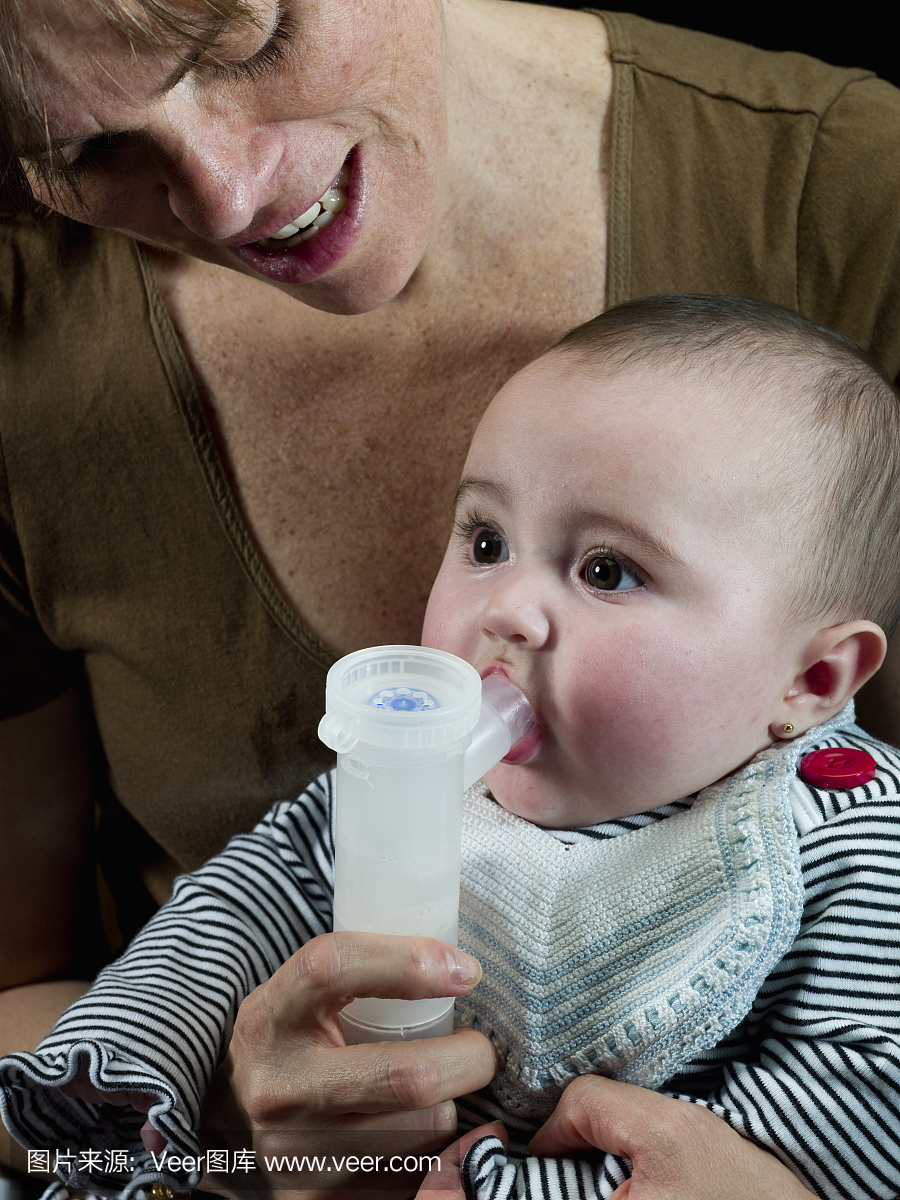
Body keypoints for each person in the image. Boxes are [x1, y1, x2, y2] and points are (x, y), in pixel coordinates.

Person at [3, 0, 900, 1190]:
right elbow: (218, 929)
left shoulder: (825, 843)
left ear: (813, 679)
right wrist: (142, 1090)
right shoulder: (406, 790)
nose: (507, 611)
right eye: (483, 540)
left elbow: (866, 1086)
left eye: (608, 572)